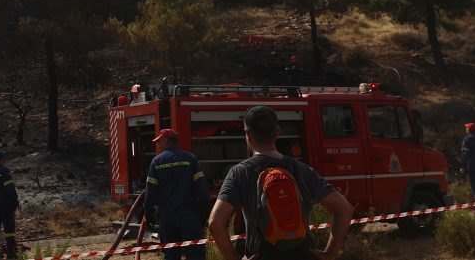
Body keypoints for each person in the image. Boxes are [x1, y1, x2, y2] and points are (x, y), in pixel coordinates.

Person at [209, 106, 354, 260]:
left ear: (248, 134)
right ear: (277, 133)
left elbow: (215, 223)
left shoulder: (239, 173)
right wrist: (330, 253)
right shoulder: (301, 170)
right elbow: (344, 210)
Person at [142, 129, 210, 260]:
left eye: (159, 142)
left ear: (165, 141)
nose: (159, 145)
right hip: (189, 217)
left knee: (171, 255)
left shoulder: (156, 162)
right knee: (196, 254)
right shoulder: (190, 159)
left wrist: (148, 213)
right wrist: (203, 213)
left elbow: (150, 192)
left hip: (167, 218)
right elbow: (202, 190)